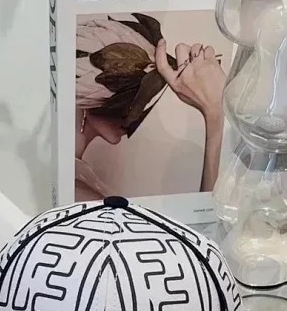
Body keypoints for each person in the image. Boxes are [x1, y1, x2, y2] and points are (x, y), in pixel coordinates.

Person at [75, 13, 226, 201]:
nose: (136, 113)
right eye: (131, 93)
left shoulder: (78, 178)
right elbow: (210, 218)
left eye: (144, 95)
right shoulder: (80, 194)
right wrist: (215, 113)